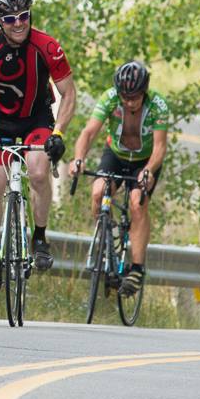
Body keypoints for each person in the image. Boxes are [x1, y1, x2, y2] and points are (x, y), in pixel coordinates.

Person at [0, 0, 76, 293]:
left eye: (23, 16)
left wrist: (59, 132)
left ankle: (39, 237)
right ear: (0, 21)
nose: (18, 24)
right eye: (10, 19)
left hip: (37, 119)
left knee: (38, 172)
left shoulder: (47, 46)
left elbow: (68, 93)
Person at [67, 60, 172, 296]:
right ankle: (109, 240)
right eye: (125, 97)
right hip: (115, 154)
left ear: (144, 91)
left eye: (135, 97)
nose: (129, 102)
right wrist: (78, 158)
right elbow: (88, 133)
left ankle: (137, 269)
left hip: (145, 160)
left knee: (137, 203)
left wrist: (149, 170)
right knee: (98, 192)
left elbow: (160, 147)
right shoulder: (110, 98)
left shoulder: (158, 105)